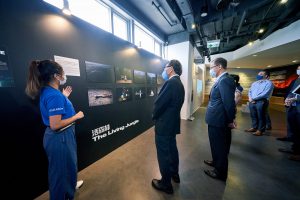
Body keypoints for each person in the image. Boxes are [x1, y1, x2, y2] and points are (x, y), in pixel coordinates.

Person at [25, 60, 84, 200]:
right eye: (62, 73)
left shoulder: (49, 92)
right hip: (60, 137)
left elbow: (56, 111)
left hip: (61, 137)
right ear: (56, 76)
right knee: (61, 174)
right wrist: (76, 116)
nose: (64, 76)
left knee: (66, 170)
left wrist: (64, 97)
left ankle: (69, 186)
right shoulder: (54, 95)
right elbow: (55, 124)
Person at [151, 59, 185, 194]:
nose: (164, 70)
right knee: (172, 149)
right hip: (173, 123)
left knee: (164, 153)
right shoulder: (179, 84)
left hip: (164, 124)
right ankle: (174, 175)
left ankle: (165, 183)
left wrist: (154, 116)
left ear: (171, 68)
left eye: (165, 68)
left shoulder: (170, 83)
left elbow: (159, 104)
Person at [204, 57, 236, 182]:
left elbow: (228, 103)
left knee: (220, 146)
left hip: (219, 120)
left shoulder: (225, 80)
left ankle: (220, 172)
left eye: (212, 67)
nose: (211, 70)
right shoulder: (221, 79)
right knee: (215, 144)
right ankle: (216, 162)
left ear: (219, 67)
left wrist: (230, 120)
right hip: (215, 119)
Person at [278, 65, 300, 161]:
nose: (298, 70)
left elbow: (297, 96)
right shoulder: (296, 80)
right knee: (294, 130)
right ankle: (295, 149)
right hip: (293, 108)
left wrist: (296, 98)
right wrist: (287, 99)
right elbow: (291, 92)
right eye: (298, 69)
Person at [245, 70, 274, 136]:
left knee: (261, 116)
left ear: (266, 76)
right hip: (252, 101)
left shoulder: (269, 83)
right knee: (253, 115)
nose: (258, 75)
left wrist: (253, 98)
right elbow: (250, 91)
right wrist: (250, 98)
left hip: (261, 101)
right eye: (258, 74)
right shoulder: (254, 83)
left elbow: (265, 93)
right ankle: (254, 127)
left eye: (261, 74)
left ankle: (260, 130)